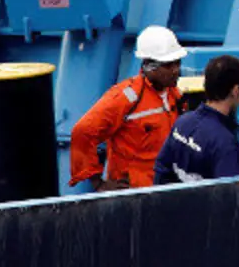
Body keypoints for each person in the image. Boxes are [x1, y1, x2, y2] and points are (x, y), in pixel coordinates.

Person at [69, 25, 186, 191]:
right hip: (135, 194)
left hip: (166, 189)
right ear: (148, 66)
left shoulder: (175, 95)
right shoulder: (125, 99)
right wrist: (98, 183)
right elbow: (83, 132)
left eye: (177, 63)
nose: (176, 70)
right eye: (168, 65)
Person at [154, 54, 239, 184]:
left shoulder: (182, 122)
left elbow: (161, 169)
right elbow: (231, 197)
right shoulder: (225, 145)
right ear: (236, 90)